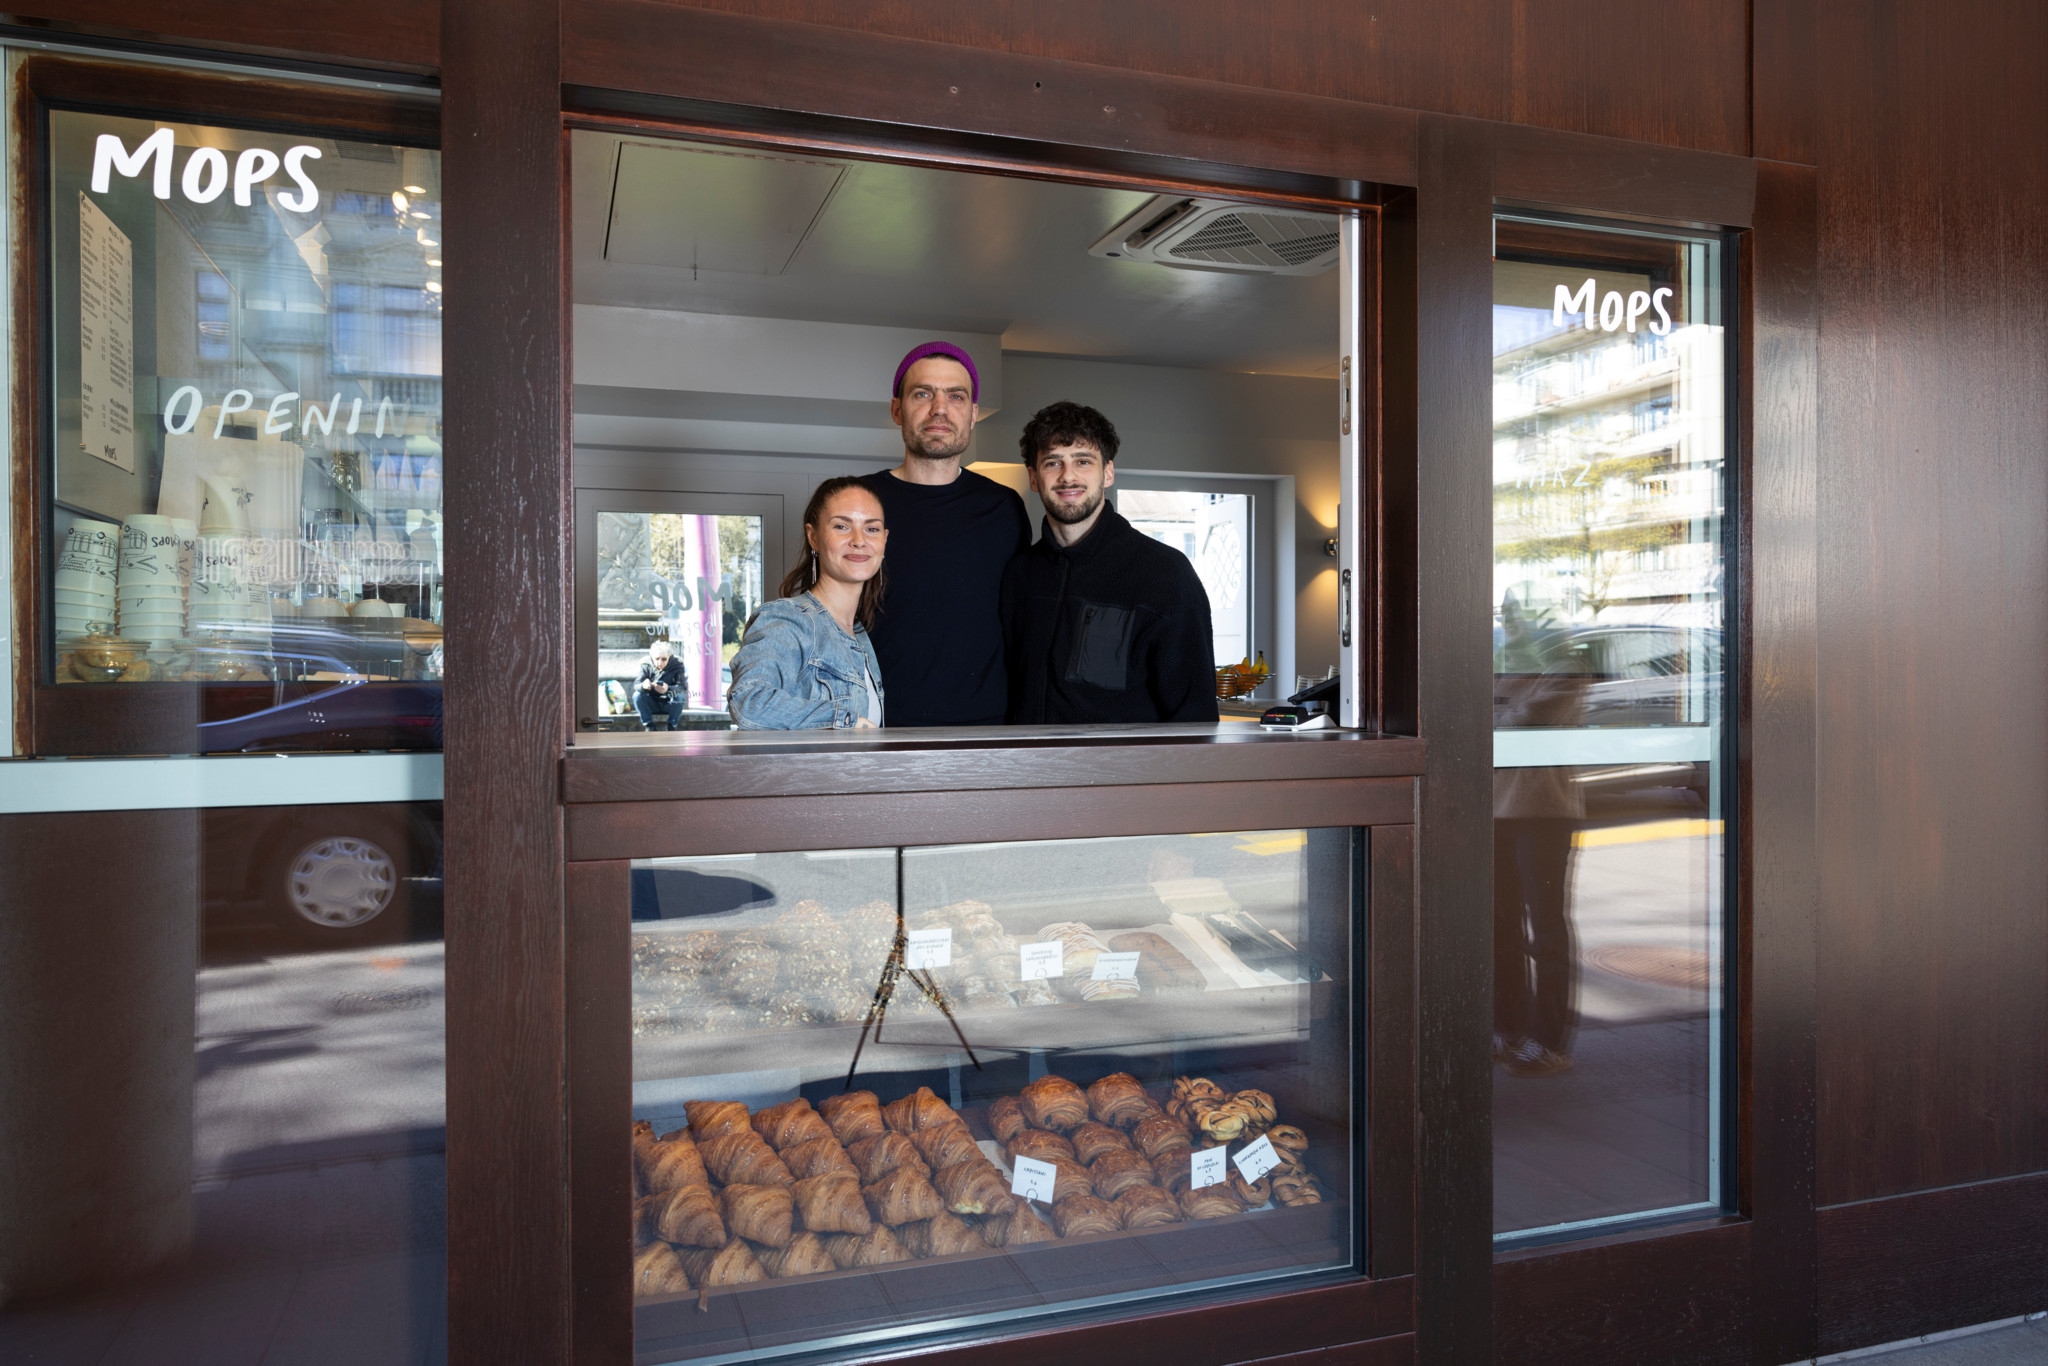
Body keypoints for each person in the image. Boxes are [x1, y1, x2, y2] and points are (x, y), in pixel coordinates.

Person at [999, 400, 1219, 724]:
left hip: (1126, 775)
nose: (1068, 476)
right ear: (1034, 478)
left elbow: (1195, 717)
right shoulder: (1019, 575)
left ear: (1108, 472)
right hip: (1025, 773)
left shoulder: (1164, 574)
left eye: (1083, 461)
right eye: (1052, 463)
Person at [860, 341, 1030, 726]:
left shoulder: (1003, 508)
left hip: (986, 734)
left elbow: (1021, 623)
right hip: (876, 731)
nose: (940, 408)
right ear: (896, 409)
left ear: (972, 414)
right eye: (922, 394)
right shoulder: (860, 504)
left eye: (956, 396)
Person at [1492, 593, 1589, 1078]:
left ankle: (1550, 1042)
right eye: (1503, 617)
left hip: (1544, 813)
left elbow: (1525, 722)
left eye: (1516, 616)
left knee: (1545, 929)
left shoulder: (1565, 667)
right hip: (1495, 811)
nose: (1507, 624)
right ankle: (1509, 1028)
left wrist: (1498, 713)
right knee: (1500, 925)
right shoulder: (1507, 668)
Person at [727, 477, 888, 730]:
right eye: (842, 527)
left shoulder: (859, 635)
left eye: (872, 529)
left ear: (884, 541)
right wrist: (842, 719)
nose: (859, 540)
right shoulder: (788, 620)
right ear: (813, 537)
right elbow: (748, 701)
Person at [633, 640, 687, 731]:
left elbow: (682, 687)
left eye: (664, 659)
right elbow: (636, 684)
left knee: (679, 697)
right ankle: (649, 725)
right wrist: (644, 685)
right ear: (652, 657)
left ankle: (672, 726)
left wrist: (668, 689)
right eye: (657, 659)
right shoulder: (646, 664)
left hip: (670, 704)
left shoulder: (677, 664)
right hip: (652, 703)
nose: (660, 662)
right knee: (637, 695)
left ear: (669, 657)